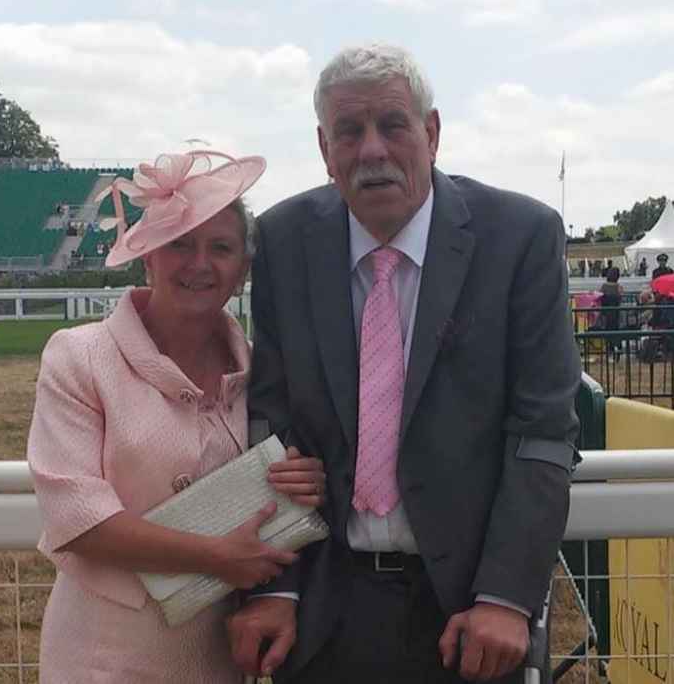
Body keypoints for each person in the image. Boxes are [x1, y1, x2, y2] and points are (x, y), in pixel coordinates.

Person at [227, 44, 581, 684]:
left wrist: (504, 597)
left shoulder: (519, 238)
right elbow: (274, 422)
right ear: (323, 147)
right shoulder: (283, 241)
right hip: (325, 613)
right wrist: (278, 589)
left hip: (470, 620)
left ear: (432, 132)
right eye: (348, 131)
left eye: (392, 124)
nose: (371, 150)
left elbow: (544, 432)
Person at [27, 149, 326, 683]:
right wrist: (215, 557)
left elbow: (282, 492)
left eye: (220, 248)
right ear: (149, 256)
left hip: (217, 654)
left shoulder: (264, 375)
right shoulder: (79, 357)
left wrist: (303, 481)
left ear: (242, 270)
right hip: (100, 656)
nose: (199, 264)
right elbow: (76, 521)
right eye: (180, 244)